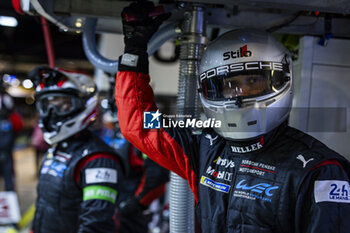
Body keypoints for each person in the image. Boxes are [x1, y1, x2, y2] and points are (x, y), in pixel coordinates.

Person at [114, 2, 350, 233]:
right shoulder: (204, 143)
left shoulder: (320, 170)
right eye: (230, 84)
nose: (241, 93)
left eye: (253, 81)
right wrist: (134, 50)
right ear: (209, 89)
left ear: (280, 80)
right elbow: (140, 123)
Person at [29, 66, 124, 233]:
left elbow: (96, 226)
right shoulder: (57, 148)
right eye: (47, 106)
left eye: (63, 105)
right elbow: (45, 206)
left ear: (83, 104)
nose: (53, 113)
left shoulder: (98, 160)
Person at [0, 78, 22, 191]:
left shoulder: (6, 98)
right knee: (8, 172)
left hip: (5, 145)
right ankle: (10, 193)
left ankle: (10, 193)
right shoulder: (6, 98)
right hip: (6, 146)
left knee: (8, 172)